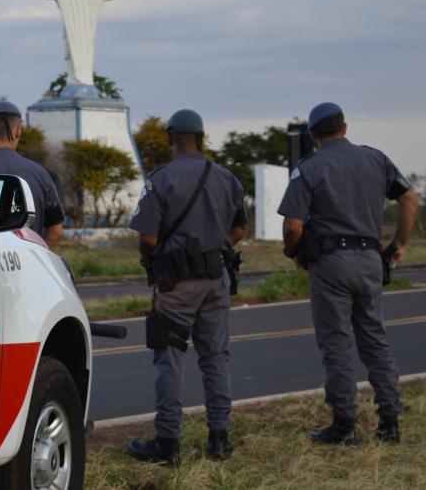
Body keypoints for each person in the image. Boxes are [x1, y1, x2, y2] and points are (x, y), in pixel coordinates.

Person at [278, 102, 418, 444]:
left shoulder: (308, 168)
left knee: (336, 344)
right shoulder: (376, 159)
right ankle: (390, 421)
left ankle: (343, 425)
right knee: (375, 340)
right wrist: (396, 246)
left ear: (312, 135)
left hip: (331, 264)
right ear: (345, 127)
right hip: (370, 259)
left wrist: (294, 253)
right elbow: (409, 200)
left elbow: (293, 225)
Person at [126, 109, 247, 465]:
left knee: (170, 359)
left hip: (175, 283)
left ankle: (167, 443)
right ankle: (220, 440)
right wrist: (213, 244)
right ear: (203, 138)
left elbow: (147, 238)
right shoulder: (226, 178)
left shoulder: (160, 180)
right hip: (216, 280)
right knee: (215, 359)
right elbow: (239, 230)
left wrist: (156, 262)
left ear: (169, 139)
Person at [0, 101, 65, 248]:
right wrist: (40, 254)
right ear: (18, 131)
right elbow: (55, 230)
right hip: (30, 265)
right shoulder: (41, 175)